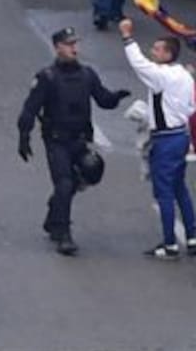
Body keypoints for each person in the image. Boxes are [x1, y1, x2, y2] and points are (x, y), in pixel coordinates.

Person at [17, 28, 131, 255]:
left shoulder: (87, 74)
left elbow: (103, 99)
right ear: (58, 47)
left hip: (80, 140)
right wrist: (24, 137)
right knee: (64, 183)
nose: (74, 48)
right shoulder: (47, 77)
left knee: (91, 171)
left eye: (75, 44)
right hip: (57, 141)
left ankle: (54, 212)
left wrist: (117, 96)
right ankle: (63, 234)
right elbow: (30, 109)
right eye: (69, 45)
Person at [120, 18, 196, 259]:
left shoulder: (162, 76)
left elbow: (139, 65)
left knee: (163, 192)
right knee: (179, 188)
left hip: (166, 140)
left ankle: (170, 244)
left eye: (156, 49)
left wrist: (127, 37)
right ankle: (193, 237)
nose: (152, 52)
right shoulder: (184, 75)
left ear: (167, 54)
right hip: (180, 136)